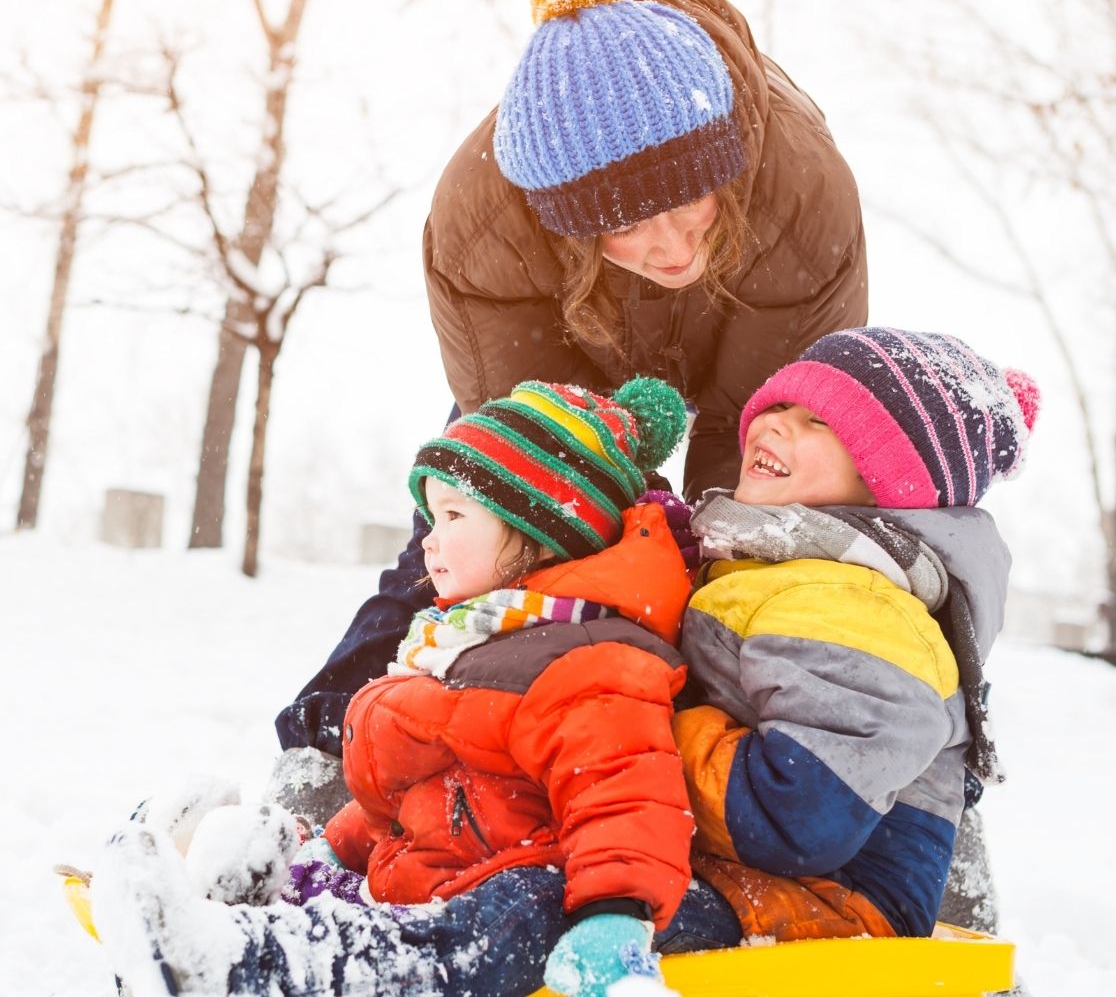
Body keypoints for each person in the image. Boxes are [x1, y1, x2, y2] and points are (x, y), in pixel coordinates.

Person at [271, 0, 867, 804]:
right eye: (626, 225)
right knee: (483, 531)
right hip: (565, 360)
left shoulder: (799, 193)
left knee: (780, 557)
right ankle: (331, 763)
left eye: (686, 202)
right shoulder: (485, 226)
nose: (668, 248)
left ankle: (826, 808)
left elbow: (758, 455)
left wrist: (703, 572)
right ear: (571, 222)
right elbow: (534, 464)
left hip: (754, 356)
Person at [91, 378, 744, 997]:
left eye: (454, 515)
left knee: (497, 917)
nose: (429, 543)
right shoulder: (474, 640)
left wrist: (616, 916)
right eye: (431, 518)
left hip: (490, 901)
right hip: (428, 871)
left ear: (541, 533)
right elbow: (410, 792)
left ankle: (244, 965)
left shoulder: (591, 660)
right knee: (330, 887)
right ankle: (221, 902)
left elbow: (626, 797)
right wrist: (332, 849)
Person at [671, 327, 1039, 942]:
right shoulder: (775, 571)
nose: (775, 423)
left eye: (818, 421)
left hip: (834, 906)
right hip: (753, 874)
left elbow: (801, 815)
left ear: (887, 479)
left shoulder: (853, 602)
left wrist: (637, 734)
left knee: (531, 916)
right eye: (780, 405)